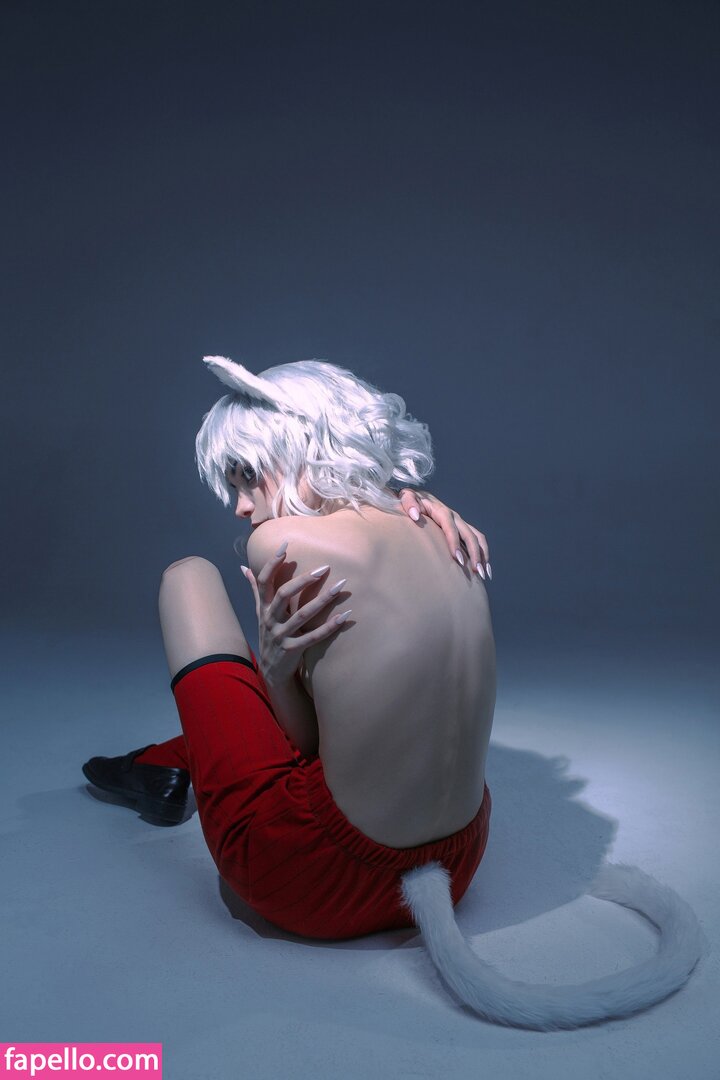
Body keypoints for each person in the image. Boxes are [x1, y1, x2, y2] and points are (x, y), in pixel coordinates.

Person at [82, 355, 706, 1031]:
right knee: (296, 675)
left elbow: (301, 745)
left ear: (299, 446)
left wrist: (277, 667)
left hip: (311, 884)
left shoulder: (280, 541)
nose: (240, 506)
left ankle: (171, 764)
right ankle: (169, 760)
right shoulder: (439, 524)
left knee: (188, 576)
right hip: (457, 865)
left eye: (246, 475)